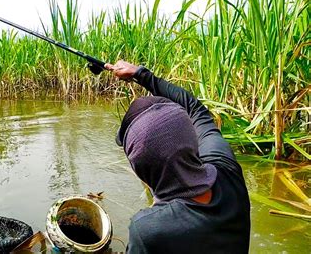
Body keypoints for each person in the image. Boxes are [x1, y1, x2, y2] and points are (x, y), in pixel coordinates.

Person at [105, 61, 251, 253]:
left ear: (140, 171)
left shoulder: (149, 230)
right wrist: (141, 73)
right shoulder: (227, 170)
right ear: (191, 139)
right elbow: (196, 109)